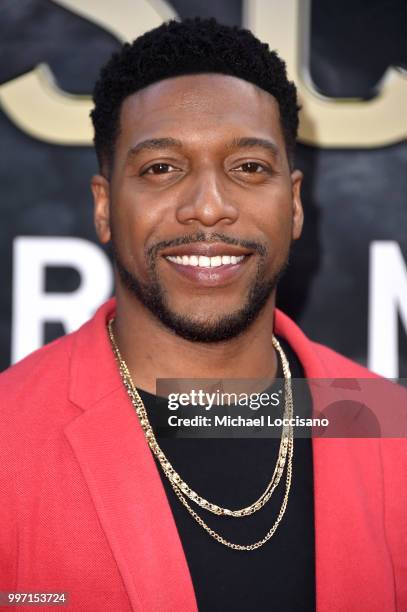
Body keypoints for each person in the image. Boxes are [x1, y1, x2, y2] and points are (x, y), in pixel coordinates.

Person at [0, 17, 406, 612]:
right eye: (162, 168)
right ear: (106, 206)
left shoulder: (387, 423)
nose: (209, 208)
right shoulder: (8, 435)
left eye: (248, 167)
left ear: (293, 203)